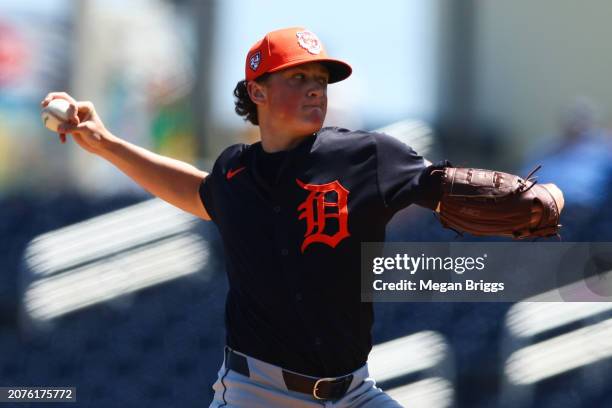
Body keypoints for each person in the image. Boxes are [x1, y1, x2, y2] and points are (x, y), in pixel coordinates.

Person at [42, 27, 563, 408]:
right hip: (257, 393)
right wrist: (105, 143)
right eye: (299, 77)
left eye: (321, 78)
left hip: (353, 392)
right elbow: (194, 190)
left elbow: (438, 182)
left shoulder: (367, 156)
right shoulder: (234, 175)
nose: (317, 87)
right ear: (258, 91)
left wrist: (529, 197)